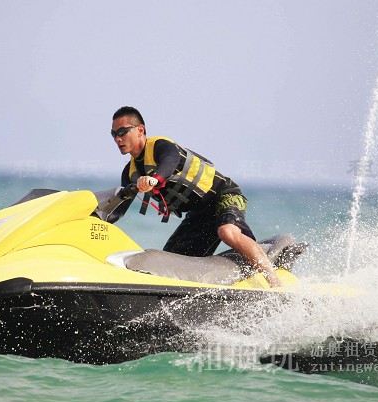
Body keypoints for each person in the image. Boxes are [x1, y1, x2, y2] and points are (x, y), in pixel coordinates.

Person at [109, 106, 283, 287]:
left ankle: (275, 283)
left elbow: (170, 160)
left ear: (140, 130)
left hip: (224, 195)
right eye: (113, 134)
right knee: (167, 263)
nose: (118, 139)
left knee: (227, 232)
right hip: (199, 215)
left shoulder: (160, 146)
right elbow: (118, 210)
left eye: (122, 132)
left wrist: (155, 179)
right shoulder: (130, 173)